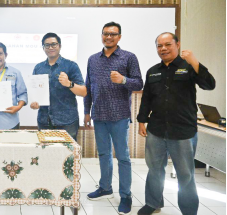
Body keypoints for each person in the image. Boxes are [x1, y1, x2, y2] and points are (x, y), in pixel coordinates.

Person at [136, 33, 216, 215]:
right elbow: (147, 98)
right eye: (159, 46)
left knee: (185, 175)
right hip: (156, 130)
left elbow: (209, 85)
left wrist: (195, 62)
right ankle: (153, 203)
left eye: (167, 44)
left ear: (177, 45)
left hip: (183, 132)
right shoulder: (153, 71)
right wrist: (142, 120)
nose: (163, 49)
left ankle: (189, 211)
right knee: (155, 170)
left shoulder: (189, 67)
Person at [84, 22, 143, 215]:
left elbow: (138, 83)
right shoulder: (93, 59)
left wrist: (123, 80)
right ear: (102, 35)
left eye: (113, 34)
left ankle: (125, 195)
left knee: (123, 157)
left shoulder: (128, 57)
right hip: (99, 115)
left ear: (119, 37)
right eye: (105, 33)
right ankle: (105, 187)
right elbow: (88, 87)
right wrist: (86, 111)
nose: (108, 37)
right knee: (103, 154)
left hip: (119, 116)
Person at [30, 33, 87, 140]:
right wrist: (34, 103)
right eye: (47, 45)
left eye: (54, 44)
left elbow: (83, 92)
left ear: (60, 46)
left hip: (67, 121)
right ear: (43, 48)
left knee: (68, 155)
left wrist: (69, 84)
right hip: (44, 120)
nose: (50, 47)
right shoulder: (38, 68)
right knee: (46, 154)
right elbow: (36, 94)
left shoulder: (71, 66)